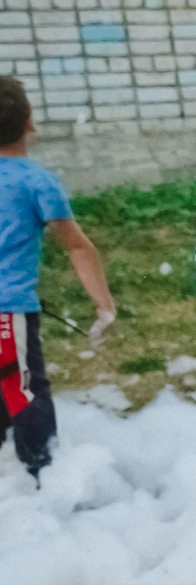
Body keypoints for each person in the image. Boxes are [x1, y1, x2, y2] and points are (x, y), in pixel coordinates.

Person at [0, 74, 115, 480]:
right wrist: (104, 306)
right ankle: (42, 480)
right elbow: (78, 246)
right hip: (7, 312)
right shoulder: (38, 183)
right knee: (23, 390)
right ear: (30, 121)